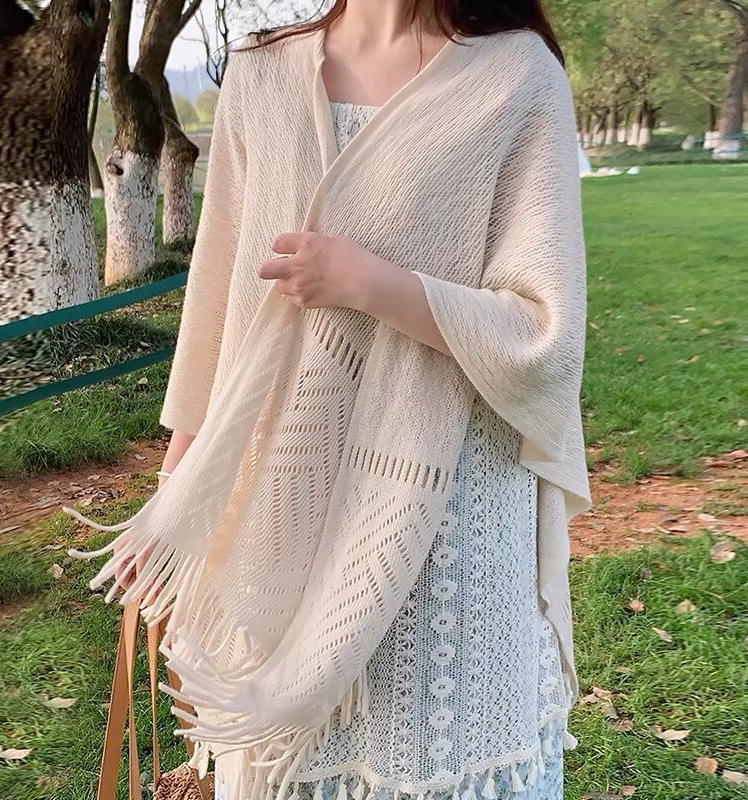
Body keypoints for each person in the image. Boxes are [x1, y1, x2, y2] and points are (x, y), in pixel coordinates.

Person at [67, 3, 592, 800]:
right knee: (288, 758)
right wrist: (177, 486)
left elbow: (544, 333)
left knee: (438, 755)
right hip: (289, 490)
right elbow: (219, 304)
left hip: (451, 512)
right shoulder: (262, 75)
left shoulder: (517, 76)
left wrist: (370, 284)